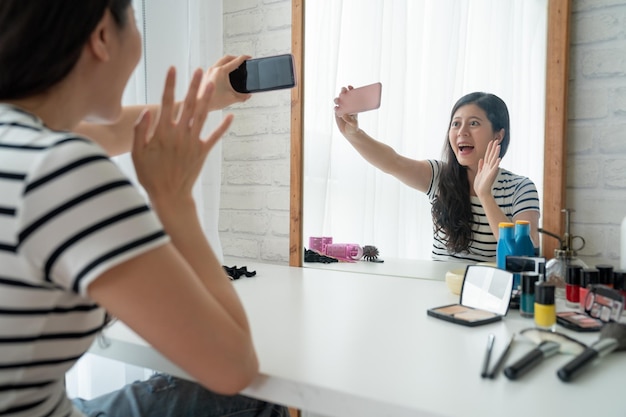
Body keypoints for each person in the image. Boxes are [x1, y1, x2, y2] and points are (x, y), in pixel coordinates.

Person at [0, 2, 289, 417]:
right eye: (134, 22)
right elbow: (233, 368)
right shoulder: (56, 171)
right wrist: (174, 201)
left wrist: (206, 99)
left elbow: (119, 131)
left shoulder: (22, 144)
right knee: (250, 399)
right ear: (102, 35)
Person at [334, 89, 540, 263]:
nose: (462, 132)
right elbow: (392, 162)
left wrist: (484, 195)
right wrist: (353, 134)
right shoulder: (440, 176)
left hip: (488, 298)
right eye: (456, 123)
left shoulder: (520, 188)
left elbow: (523, 256)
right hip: (439, 290)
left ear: (498, 135)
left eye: (474, 123)